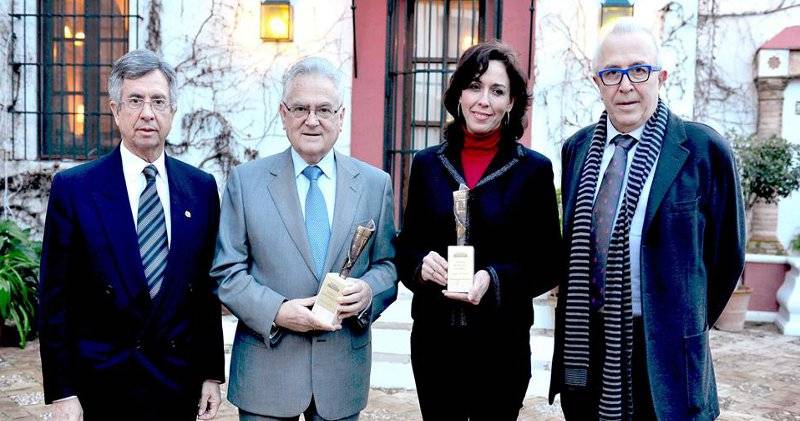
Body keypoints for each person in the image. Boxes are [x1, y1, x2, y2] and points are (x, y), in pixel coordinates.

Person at [549, 19, 746, 420]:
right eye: (611, 73)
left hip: (669, 350)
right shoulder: (576, 149)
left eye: (639, 70)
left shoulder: (703, 149)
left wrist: (684, 315)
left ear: (661, 76)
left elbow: (728, 255)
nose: (625, 85)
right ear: (596, 81)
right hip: (589, 346)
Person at [38, 49, 225, 420]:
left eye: (158, 101)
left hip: (177, 383)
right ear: (114, 109)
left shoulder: (201, 187)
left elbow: (205, 293)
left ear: (172, 110)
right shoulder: (75, 189)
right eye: (135, 100)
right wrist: (62, 391)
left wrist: (210, 375)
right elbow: (54, 299)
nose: (147, 113)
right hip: (101, 385)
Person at [211, 56, 397, 421]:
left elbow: (388, 264)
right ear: (283, 114)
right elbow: (226, 272)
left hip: (340, 375)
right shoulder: (246, 182)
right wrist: (278, 312)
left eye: (324, 109)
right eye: (300, 108)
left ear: (340, 116)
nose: (312, 119)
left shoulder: (376, 185)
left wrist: (368, 292)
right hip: (267, 373)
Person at [395, 41, 562, 420]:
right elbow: (407, 247)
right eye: (474, 86)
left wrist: (494, 277)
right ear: (458, 94)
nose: (483, 100)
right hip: (435, 345)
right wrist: (421, 266)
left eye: (497, 91)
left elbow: (549, 262)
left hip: (502, 346)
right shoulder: (426, 164)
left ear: (512, 102)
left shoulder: (533, 170)